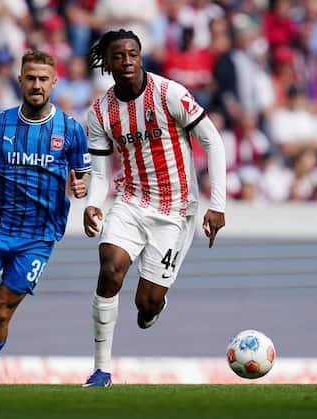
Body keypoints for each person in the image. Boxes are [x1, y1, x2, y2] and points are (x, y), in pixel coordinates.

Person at [82, 29, 226, 387]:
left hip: (176, 211)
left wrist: (217, 205)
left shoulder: (169, 93)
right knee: (110, 268)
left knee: (145, 303)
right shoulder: (100, 112)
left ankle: (153, 307)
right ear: (108, 63)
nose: (127, 61)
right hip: (130, 201)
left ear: (140, 55)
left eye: (133, 54)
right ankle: (101, 369)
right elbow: (99, 173)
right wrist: (93, 204)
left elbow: (213, 141)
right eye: (119, 56)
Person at [0, 49, 91, 385]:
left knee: (0, 312)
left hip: (38, 238)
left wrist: (82, 184)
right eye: (30, 78)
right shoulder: (0, 123)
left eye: (43, 79)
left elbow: (83, 172)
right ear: (20, 81)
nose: (36, 85)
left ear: (54, 82)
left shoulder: (70, 129)